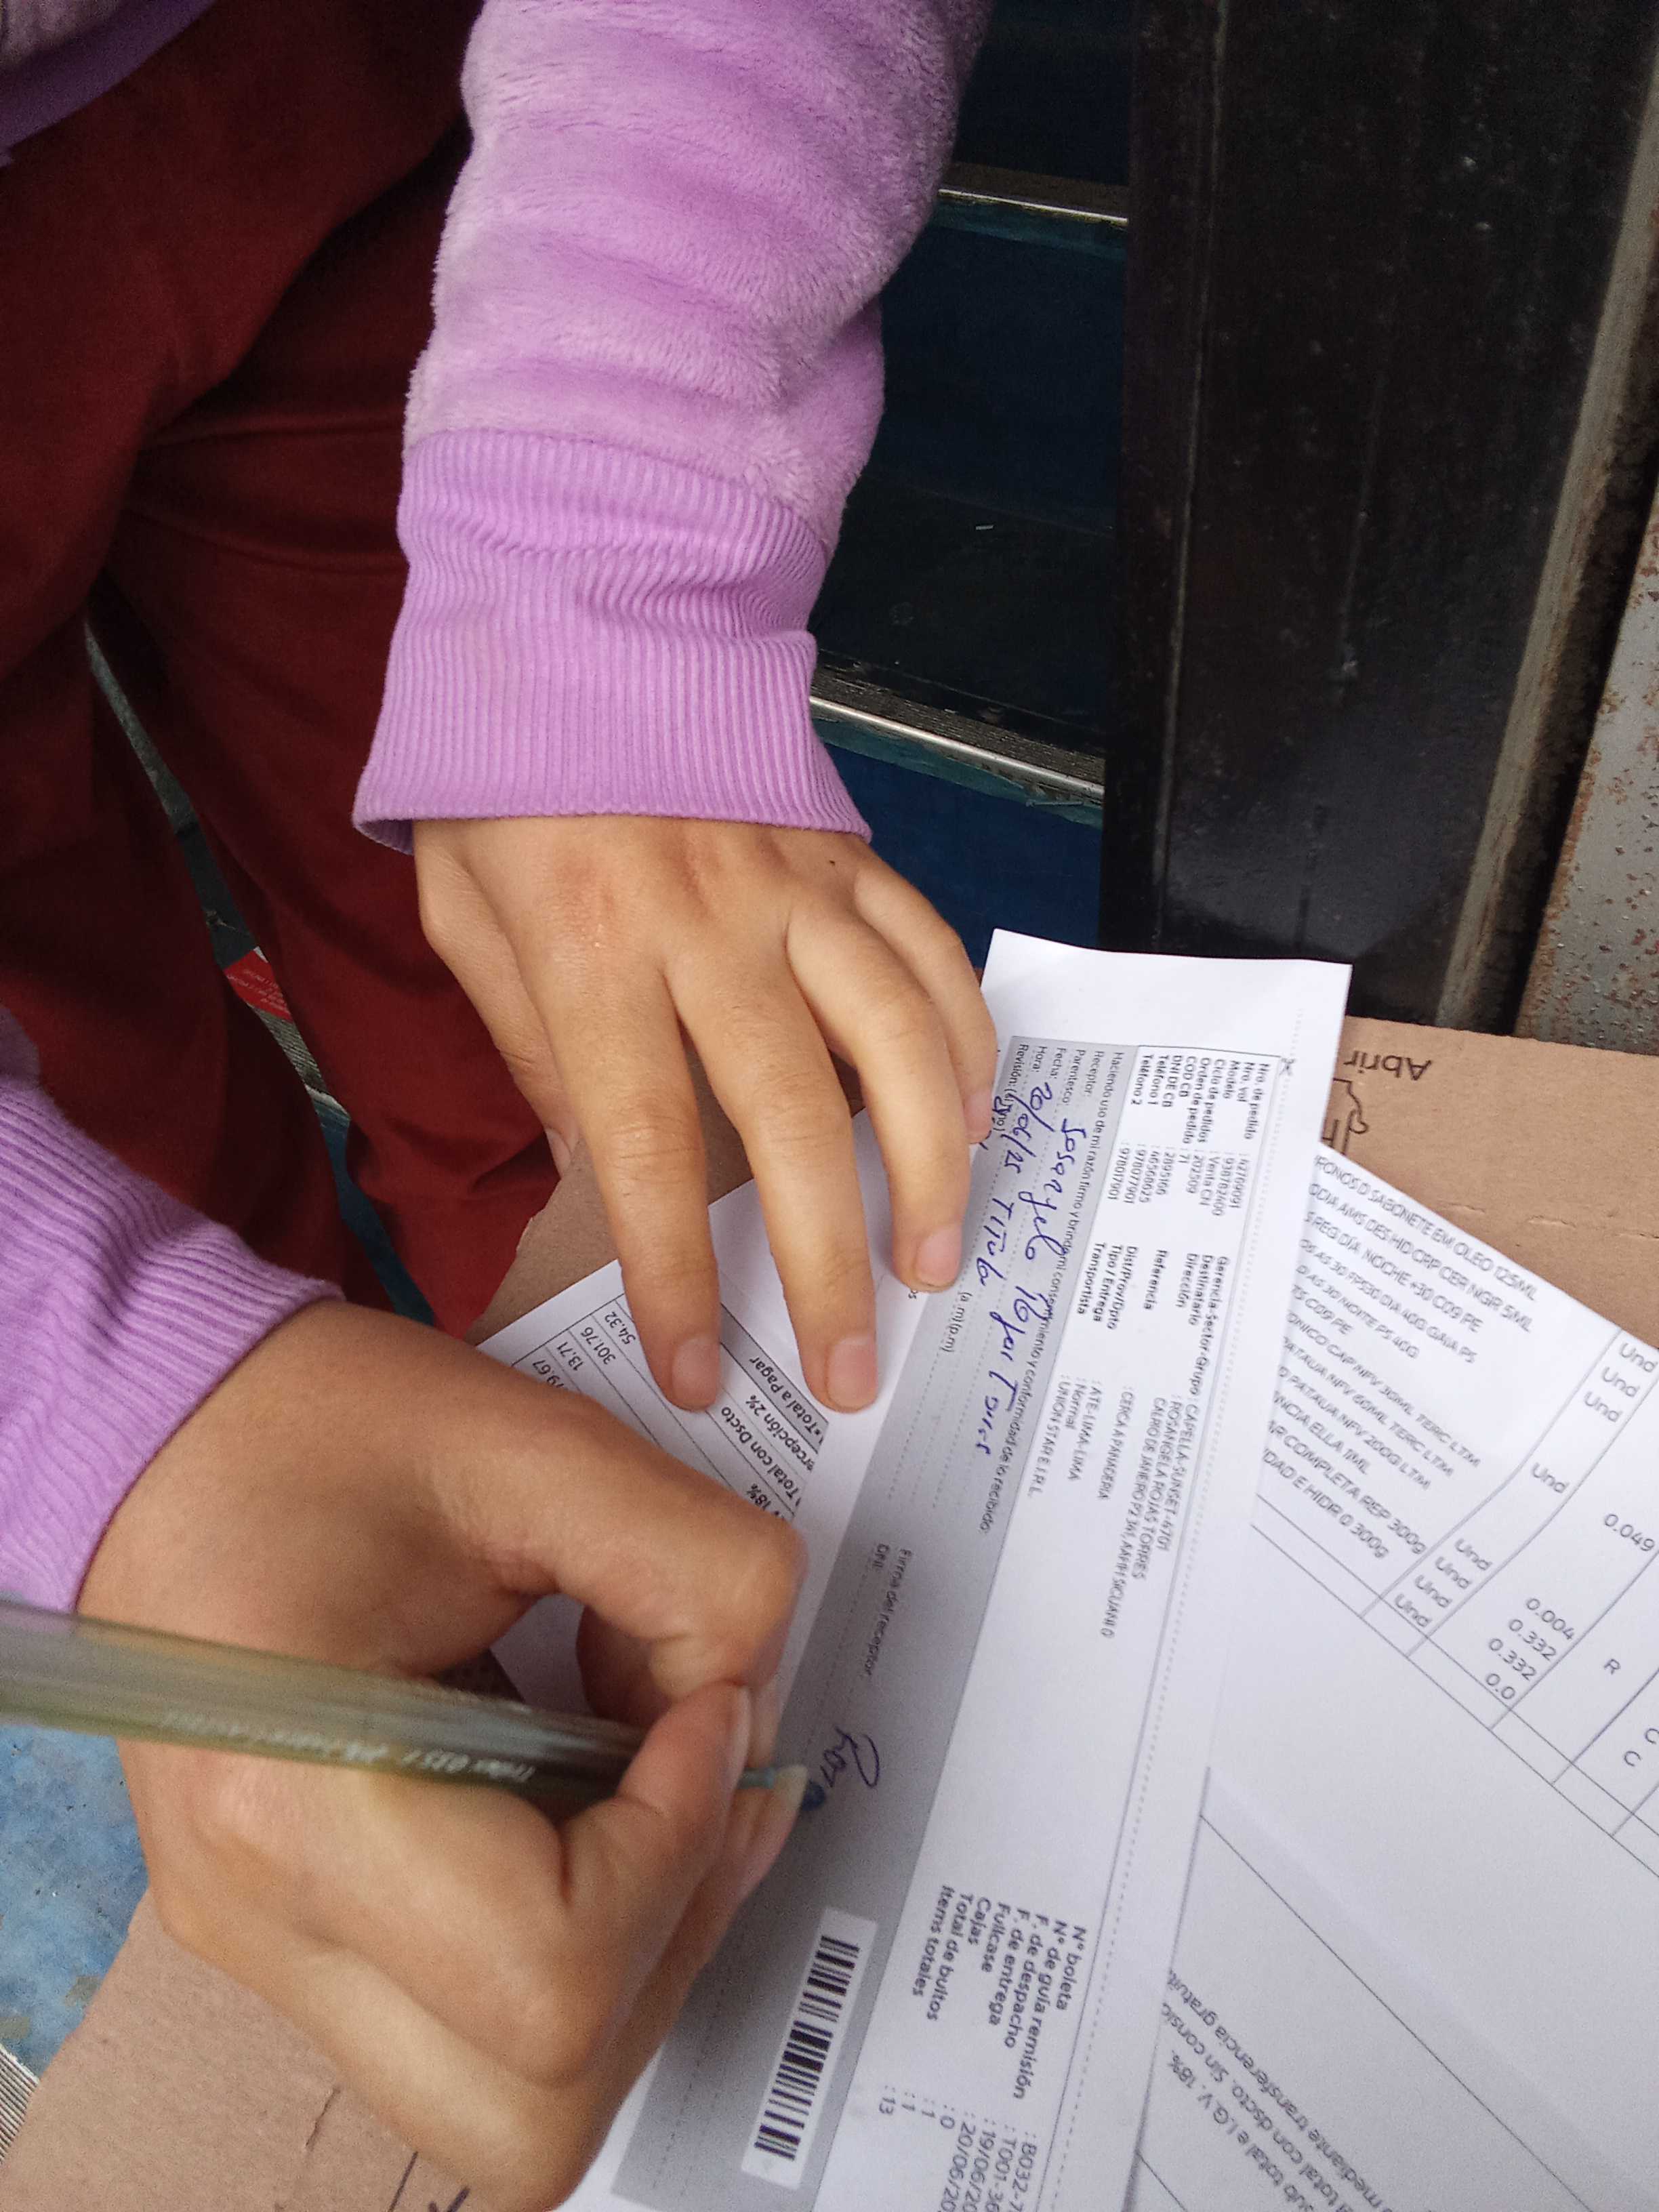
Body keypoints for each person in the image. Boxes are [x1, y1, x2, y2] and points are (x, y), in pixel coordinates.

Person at [1, 0, 994, 2201]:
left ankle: (521, 1415)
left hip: (303, 83)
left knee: (550, 1037)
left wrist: (600, 571)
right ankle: (354, 1466)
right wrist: (99, 1398)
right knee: (123, 1129)